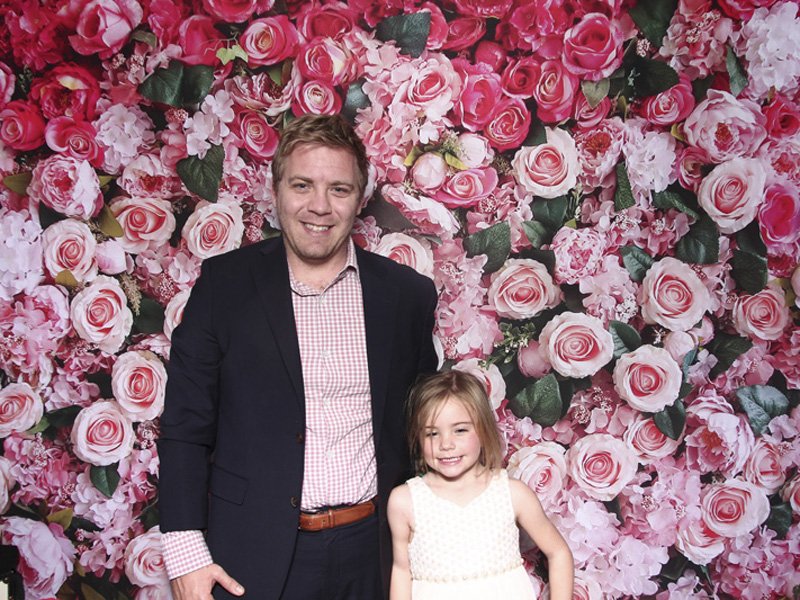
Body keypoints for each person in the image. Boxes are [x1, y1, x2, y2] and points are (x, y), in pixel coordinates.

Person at [158, 114, 438, 600]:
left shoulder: (406, 295)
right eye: (302, 185)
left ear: (360, 198)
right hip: (252, 555)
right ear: (276, 190)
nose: (319, 207)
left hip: (376, 555)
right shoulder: (224, 287)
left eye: (339, 189)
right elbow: (186, 425)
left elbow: (423, 429)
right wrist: (185, 553)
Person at [387, 370, 574, 600]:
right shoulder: (404, 501)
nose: (446, 444)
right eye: (432, 433)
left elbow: (558, 552)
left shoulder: (513, 494)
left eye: (460, 430)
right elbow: (401, 570)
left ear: (484, 430)